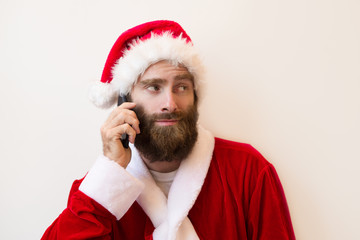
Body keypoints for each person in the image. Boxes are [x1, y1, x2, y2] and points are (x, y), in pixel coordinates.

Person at [42, 20, 295, 240]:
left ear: (195, 96)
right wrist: (109, 171)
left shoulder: (249, 172)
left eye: (182, 87)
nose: (170, 104)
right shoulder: (97, 191)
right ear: (124, 102)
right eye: (154, 87)